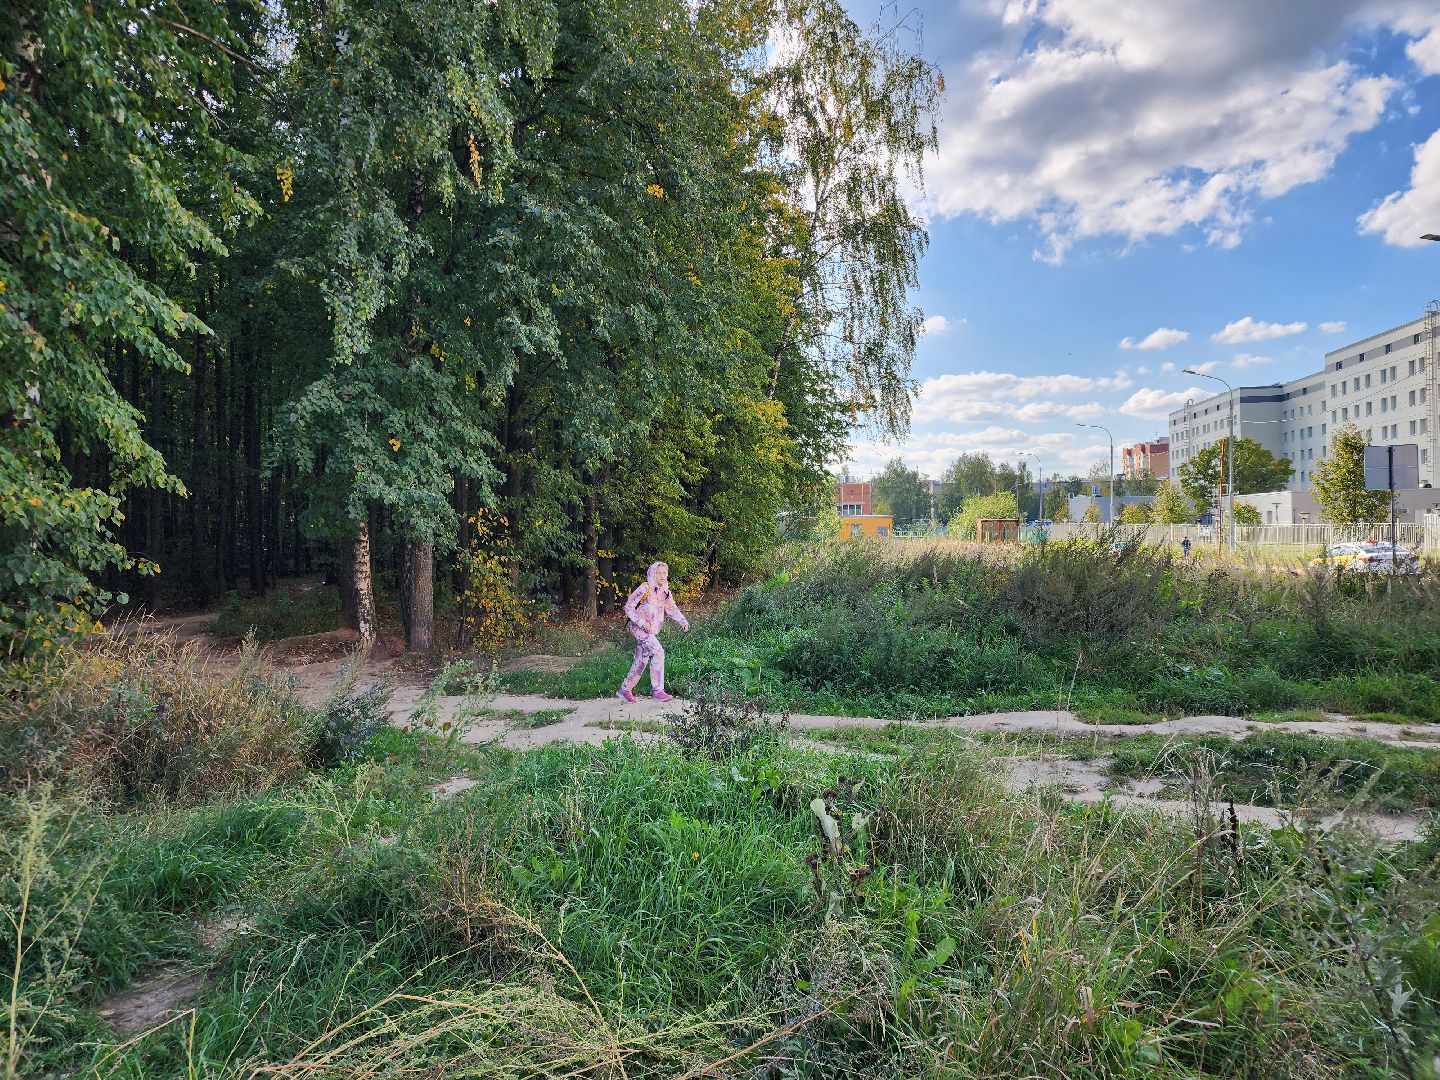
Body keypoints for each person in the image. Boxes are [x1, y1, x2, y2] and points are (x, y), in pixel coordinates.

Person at [616, 561, 689, 703]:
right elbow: (628, 607)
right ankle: (657, 690)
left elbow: (672, 609)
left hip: (651, 631)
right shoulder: (645, 588)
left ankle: (625, 690)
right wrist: (641, 622)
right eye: (659, 573)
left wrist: (683, 621)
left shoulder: (665, 592)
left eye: (664, 573)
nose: (662, 576)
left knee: (641, 660)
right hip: (639, 629)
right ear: (652, 574)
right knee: (658, 651)